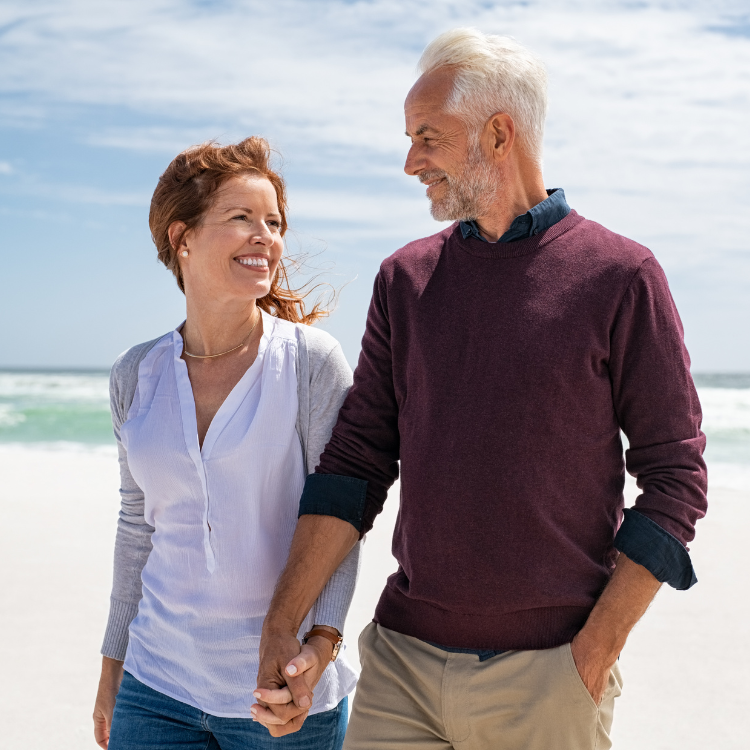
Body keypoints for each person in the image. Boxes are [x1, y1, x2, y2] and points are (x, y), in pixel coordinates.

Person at [251, 28, 708, 750]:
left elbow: (675, 477)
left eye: (428, 137)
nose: (410, 162)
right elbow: (355, 465)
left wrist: (593, 654)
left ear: (500, 134)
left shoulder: (620, 276)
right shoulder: (405, 280)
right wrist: (285, 625)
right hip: (401, 670)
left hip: (549, 679)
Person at [91, 137, 359, 750]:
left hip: (281, 692)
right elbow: (137, 527)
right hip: (155, 683)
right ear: (182, 237)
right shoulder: (136, 373)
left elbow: (341, 518)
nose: (265, 236)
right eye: (241, 218)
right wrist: (113, 667)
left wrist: (321, 645)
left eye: (274, 222)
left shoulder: (310, 362)